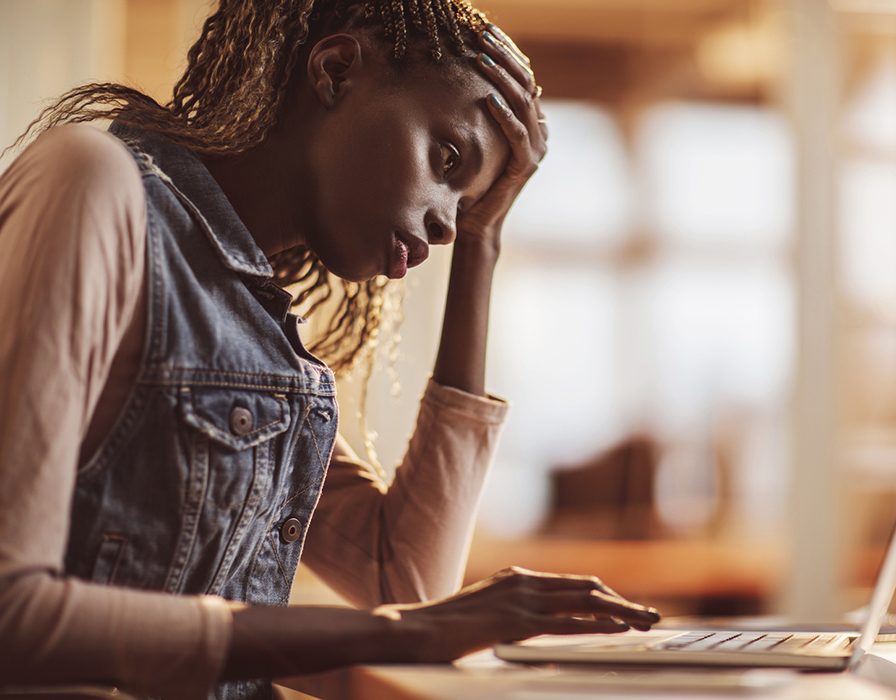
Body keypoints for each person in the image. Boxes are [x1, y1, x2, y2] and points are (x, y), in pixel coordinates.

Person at [0, 0, 661, 698]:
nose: (444, 226)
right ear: (338, 70)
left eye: (463, 208)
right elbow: (13, 614)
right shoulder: (94, 183)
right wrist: (404, 633)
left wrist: (481, 243)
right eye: (447, 158)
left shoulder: (259, 334)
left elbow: (406, 578)